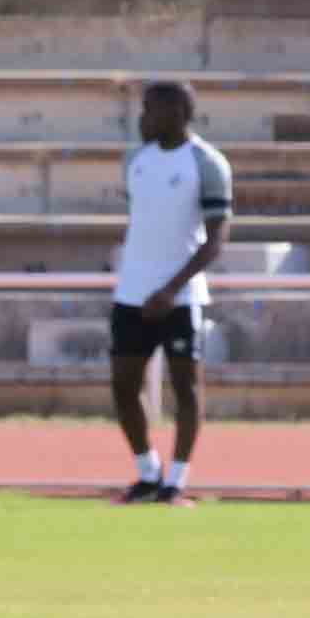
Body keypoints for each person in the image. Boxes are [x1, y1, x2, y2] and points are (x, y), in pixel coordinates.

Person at [107, 81, 231, 504]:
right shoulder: (135, 160)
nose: (141, 117)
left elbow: (214, 241)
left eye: (149, 109)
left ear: (177, 111)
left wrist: (170, 289)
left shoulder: (207, 163)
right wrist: (144, 284)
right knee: (123, 387)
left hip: (180, 298)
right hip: (132, 294)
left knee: (186, 390)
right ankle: (148, 474)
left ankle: (176, 482)